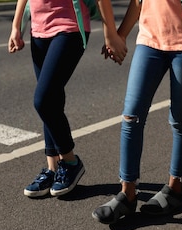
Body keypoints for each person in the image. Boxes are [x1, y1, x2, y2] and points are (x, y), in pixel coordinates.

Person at [91, 0, 182, 224]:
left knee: (180, 120)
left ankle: (175, 188)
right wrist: (121, 34)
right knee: (131, 117)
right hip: (149, 40)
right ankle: (127, 193)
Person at [9, 0, 127, 198]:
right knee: (52, 100)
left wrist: (111, 34)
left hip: (69, 27)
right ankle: (53, 168)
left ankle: (70, 161)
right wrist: (16, 26)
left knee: (43, 100)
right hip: (38, 29)